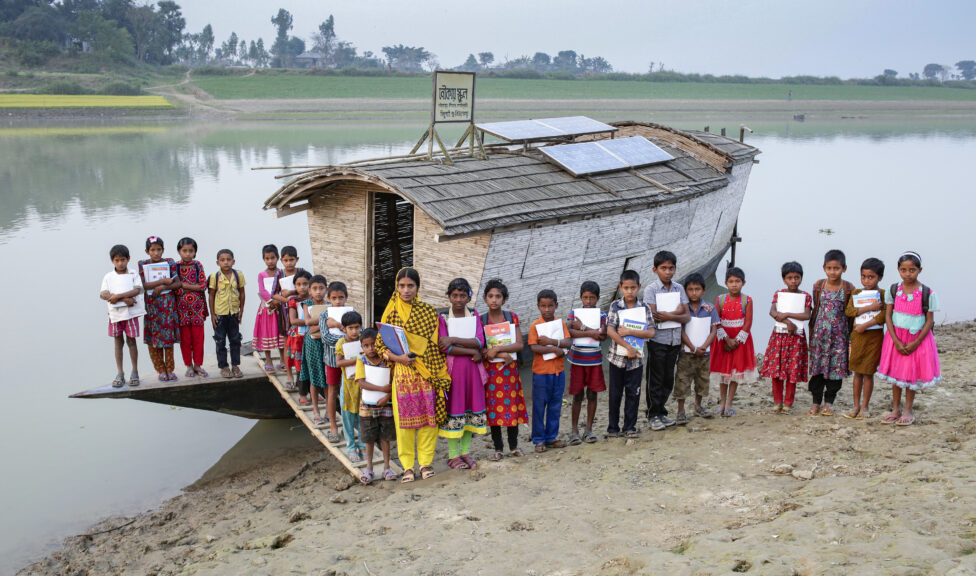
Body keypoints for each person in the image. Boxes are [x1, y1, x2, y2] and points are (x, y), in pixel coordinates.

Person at [377, 267, 450, 483]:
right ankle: (408, 466)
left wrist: (427, 364)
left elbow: (435, 345)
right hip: (403, 373)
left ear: (418, 287)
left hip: (426, 370)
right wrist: (399, 359)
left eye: (410, 286)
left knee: (429, 419)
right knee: (404, 422)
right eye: (402, 286)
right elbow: (381, 347)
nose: (406, 290)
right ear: (396, 287)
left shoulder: (428, 312)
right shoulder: (390, 312)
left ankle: (425, 463)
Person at [877, 252, 941, 426]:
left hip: (917, 339)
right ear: (898, 270)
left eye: (912, 270)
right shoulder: (893, 290)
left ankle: (908, 410)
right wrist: (895, 340)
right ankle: (896, 409)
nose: (908, 274)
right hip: (895, 338)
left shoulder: (927, 293)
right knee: (897, 374)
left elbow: (929, 321)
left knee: (911, 375)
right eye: (903, 270)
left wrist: (916, 342)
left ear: (920, 270)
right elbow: (888, 317)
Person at [437, 278, 488, 470]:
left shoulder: (474, 316)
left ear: (469, 297)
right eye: (455, 295)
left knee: (469, 410)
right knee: (455, 410)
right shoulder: (442, 317)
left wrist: (454, 339)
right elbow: (444, 347)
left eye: (463, 295)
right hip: (454, 372)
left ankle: (465, 452)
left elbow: (479, 340)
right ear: (449, 297)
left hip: (473, 371)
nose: (458, 299)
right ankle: (452, 456)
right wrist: (470, 350)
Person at [643, 250, 691, 430]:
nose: (668, 272)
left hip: (675, 340)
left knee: (668, 378)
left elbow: (686, 316)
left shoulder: (679, 288)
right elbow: (654, 317)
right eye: (663, 268)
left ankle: (661, 412)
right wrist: (677, 313)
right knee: (655, 379)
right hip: (658, 340)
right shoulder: (651, 289)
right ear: (655, 270)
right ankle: (652, 414)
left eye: (671, 268)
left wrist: (671, 314)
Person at [481, 279, 527, 461]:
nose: (494, 300)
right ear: (485, 298)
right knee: (494, 410)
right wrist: (489, 352)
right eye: (491, 296)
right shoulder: (481, 320)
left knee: (511, 407)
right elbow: (481, 348)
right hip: (491, 372)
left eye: (498, 296)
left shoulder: (511, 317)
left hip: (509, 371)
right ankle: (498, 448)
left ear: (504, 299)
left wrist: (500, 350)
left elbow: (519, 344)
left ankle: (514, 446)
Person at [606, 270, 655, 438]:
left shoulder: (644, 307)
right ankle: (613, 428)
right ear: (621, 288)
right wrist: (628, 346)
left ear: (639, 287)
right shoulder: (615, 306)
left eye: (633, 288)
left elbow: (651, 332)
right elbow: (610, 331)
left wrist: (629, 331)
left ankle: (630, 427)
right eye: (626, 288)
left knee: (633, 393)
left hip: (636, 361)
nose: (629, 291)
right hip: (617, 358)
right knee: (615, 394)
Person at [760, 262, 811, 415]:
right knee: (777, 369)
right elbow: (772, 311)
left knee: (792, 370)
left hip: (796, 338)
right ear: (784, 280)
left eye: (797, 277)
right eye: (790, 278)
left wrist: (787, 314)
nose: (794, 281)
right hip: (779, 336)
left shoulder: (805, 296)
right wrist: (788, 322)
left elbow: (806, 315)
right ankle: (777, 401)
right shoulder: (779, 294)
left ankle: (788, 402)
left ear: (801, 278)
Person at [807, 249, 854, 416]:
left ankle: (829, 402)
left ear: (844, 268)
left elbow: (850, 313)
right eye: (829, 268)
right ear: (824, 268)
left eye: (837, 268)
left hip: (839, 339)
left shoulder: (848, 288)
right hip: (820, 337)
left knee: (835, 372)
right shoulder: (819, 286)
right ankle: (815, 402)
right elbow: (816, 309)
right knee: (817, 371)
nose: (833, 272)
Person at [527, 289, 571, 452]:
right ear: (538, 306)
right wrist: (556, 350)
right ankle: (538, 439)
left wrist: (551, 343)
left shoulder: (560, 323)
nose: (547, 310)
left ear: (556, 306)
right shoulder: (535, 325)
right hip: (541, 373)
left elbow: (568, 342)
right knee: (539, 407)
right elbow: (533, 346)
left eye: (550, 306)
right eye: (543, 306)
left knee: (555, 406)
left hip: (558, 372)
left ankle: (551, 437)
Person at [710, 267, 757, 417]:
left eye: (737, 281)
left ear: (743, 283)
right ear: (726, 283)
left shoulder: (747, 300)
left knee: (735, 373)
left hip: (740, 342)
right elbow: (716, 321)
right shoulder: (720, 299)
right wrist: (726, 339)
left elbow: (748, 322)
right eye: (731, 281)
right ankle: (722, 402)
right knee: (724, 373)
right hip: (723, 340)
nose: (734, 284)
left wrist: (736, 341)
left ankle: (730, 402)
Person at [844, 258, 887, 420]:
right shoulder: (856, 293)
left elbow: (884, 315)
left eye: (871, 277)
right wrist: (869, 307)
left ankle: (865, 406)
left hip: (874, 338)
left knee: (868, 373)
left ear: (880, 278)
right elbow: (849, 311)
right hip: (857, 337)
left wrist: (866, 324)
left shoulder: (883, 294)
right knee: (857, 372)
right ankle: (855, 405)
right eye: (863, 276)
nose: (867, 280)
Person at [566, 280, 607, 444]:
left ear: (597, 298)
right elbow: (569, 332)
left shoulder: (602, 315)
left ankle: (588, 429)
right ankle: (574, 430)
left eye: (592, 298)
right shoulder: (573, 314)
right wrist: (593, 332)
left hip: (594, 360)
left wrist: (582, 328)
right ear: (581, 297)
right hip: (577, 360)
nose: (588, 301)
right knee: (577, 395)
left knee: (592, 394)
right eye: (585, 297)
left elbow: (603, 336)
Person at [675, 273, 719, 422]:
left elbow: (714, 330)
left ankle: (698, 406)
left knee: (702, 380)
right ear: (685, 291)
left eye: (697, 289)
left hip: (704, 353)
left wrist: (704, 346)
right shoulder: (682, 308)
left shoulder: (709, 308)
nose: (694, 293)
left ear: (704, 290)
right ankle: (681, 411)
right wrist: (693, 347)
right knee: (682, 380)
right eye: (690, 289)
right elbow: (680, 330)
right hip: (686, 353)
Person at [356, 328, 397, 484]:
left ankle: (387, 467)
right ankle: (369, 467)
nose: (370, 348)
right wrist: (382, 389)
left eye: (373, 344)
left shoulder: (387, 360)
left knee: (385, 436)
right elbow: (361, 382)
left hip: (386, 405)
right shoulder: (361, 360)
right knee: (369, 438)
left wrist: (387, 396)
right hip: (367, 406)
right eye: (366, 345)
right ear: (362, 347)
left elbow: (393, 381)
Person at [100, 244, 144, 387]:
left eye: (123, 260)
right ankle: (120, 372)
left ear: (128, 259)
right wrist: (123, 299)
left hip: (130, 315)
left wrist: (119, 296)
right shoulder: (108, 276)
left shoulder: (133, 274)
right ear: (112, 261)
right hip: (115, 315)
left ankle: (135, 371)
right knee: (118, 342)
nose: (120, 263)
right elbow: (103, 294)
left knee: (131, 342)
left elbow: (137, 290)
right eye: (117, 260)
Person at [138, 236, 181, 382]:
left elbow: (177, 283)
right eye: (152, 250)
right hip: (152, 307)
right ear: (147, 251)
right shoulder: (143, 264)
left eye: (158, 250)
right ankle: (160, 370)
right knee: (153, 339)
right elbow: (143, 285)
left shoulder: (169, 263)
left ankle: (170, 369)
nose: (156, 253)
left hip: (167, 306)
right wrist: (162, 280)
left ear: (163, 250)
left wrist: (164, 287)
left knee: (167, 339)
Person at [319, 281, 350, 443]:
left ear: (346, 297)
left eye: (341, 298)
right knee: (332, 392)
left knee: (348, 392)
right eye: (334, 298)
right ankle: (333, 426)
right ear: (328, 298)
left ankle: (349, 426)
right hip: (331, 360)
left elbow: (361, 334)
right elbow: (326, 338)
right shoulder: (325, 315)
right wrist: (345, 334)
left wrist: (340, 329)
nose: (338, 301)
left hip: (349, 360)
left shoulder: (351, 314)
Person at [208, 249, 245, 378]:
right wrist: (212, 314)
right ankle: (223, 366)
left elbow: (242, 293)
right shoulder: (215, 277)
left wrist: (241, 311)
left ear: (233, 261)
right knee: (220, 340)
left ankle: (235, 365)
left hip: (234, 312)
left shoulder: (238, 275)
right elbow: (211, 295)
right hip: (219, 314)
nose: (226, 262)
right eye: (222, 260)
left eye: (228, 260)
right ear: (218, 262)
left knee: (235, 340)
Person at [335, 310, 366, 462]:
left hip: (362, 385)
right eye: (351, 328)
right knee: (347, 417)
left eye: (357, 327)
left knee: (362, 415)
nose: (354, 331)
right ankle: (351, 447)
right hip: (347, 386)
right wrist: (358, 360)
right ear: (344, 329)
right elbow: (339, 362)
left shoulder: (363, 341)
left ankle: (362, 444)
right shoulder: (341, 343)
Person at [175, 237, 208, 378]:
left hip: (197, 309)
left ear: (195, 252)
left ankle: (198, 365)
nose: (188, 254)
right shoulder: (175, 267)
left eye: (191, 251)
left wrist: (184, 286)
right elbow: (174, 288)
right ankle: (188, 366)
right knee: (185, 340)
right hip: (181, 309)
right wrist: (191, 288)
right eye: (185, 251)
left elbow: (203, 286)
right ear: (179, 251)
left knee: (198, 339)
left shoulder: (197, 265)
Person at [300, 275, 329, 425]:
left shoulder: (330, 305)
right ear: (310, 290)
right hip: (312, 345)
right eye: (315, 288)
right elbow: (308, 324)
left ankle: (328, 412)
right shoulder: (307, 303)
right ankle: (316, 411)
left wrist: (317, 324)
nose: (318, 292)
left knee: (328, 378)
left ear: (326, 289)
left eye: (321, 288)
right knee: (314, 378)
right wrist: (325, 322)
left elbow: (314, 325)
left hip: (327, 344)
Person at [254, 244, 286, 373]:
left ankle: (283, 360)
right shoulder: (262, 274)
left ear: (278, 258)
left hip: (280, 308)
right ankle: (268, 360)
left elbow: (284, 288)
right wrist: (271, 301)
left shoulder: (282, 273)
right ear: (264, 259)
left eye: (272, 258)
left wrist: (279, 301)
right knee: (266, 332)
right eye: (267, 258)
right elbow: (262, 290)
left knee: (281, 333)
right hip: (267, 309)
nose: (270, 261)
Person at [285, 270, 312, 393]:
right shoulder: (293, 300)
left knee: (310, 361)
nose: (302, 287)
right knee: (298, 361)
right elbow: (293, 320)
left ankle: (310, 389)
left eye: (305, 284)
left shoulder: (314, 300)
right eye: (298, 284)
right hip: (298, 336)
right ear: (295, 286)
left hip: (311, 334)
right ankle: (300, 388)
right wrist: (310, 322)